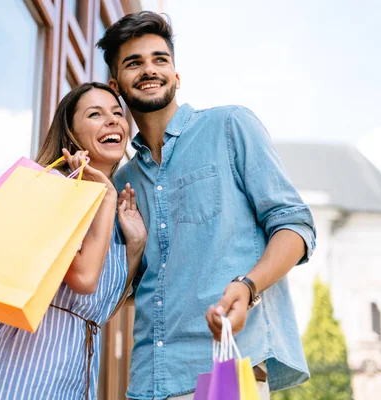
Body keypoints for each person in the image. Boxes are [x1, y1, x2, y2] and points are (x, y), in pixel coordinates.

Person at [97, 11, 317, 399]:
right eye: (134, 63)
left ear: (176, 76)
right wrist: (132, 250)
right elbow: (112, 297)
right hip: (148, 382)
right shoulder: (122, 183)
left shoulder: (230, 126)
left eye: (159, 59)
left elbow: (295, 226)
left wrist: (248, 286)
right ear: (116, 85)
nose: (149, 70)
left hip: (226, 372)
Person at [0, 82, 147, 400]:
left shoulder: (114, 212)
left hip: (74, 381)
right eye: (96, 114)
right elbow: (84, 279)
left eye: (117, 113)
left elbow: (100, 307)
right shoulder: (52, 188)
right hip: (20, 377)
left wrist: (136, 246)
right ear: (70, 131)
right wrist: (107, 198)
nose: (113, 120)